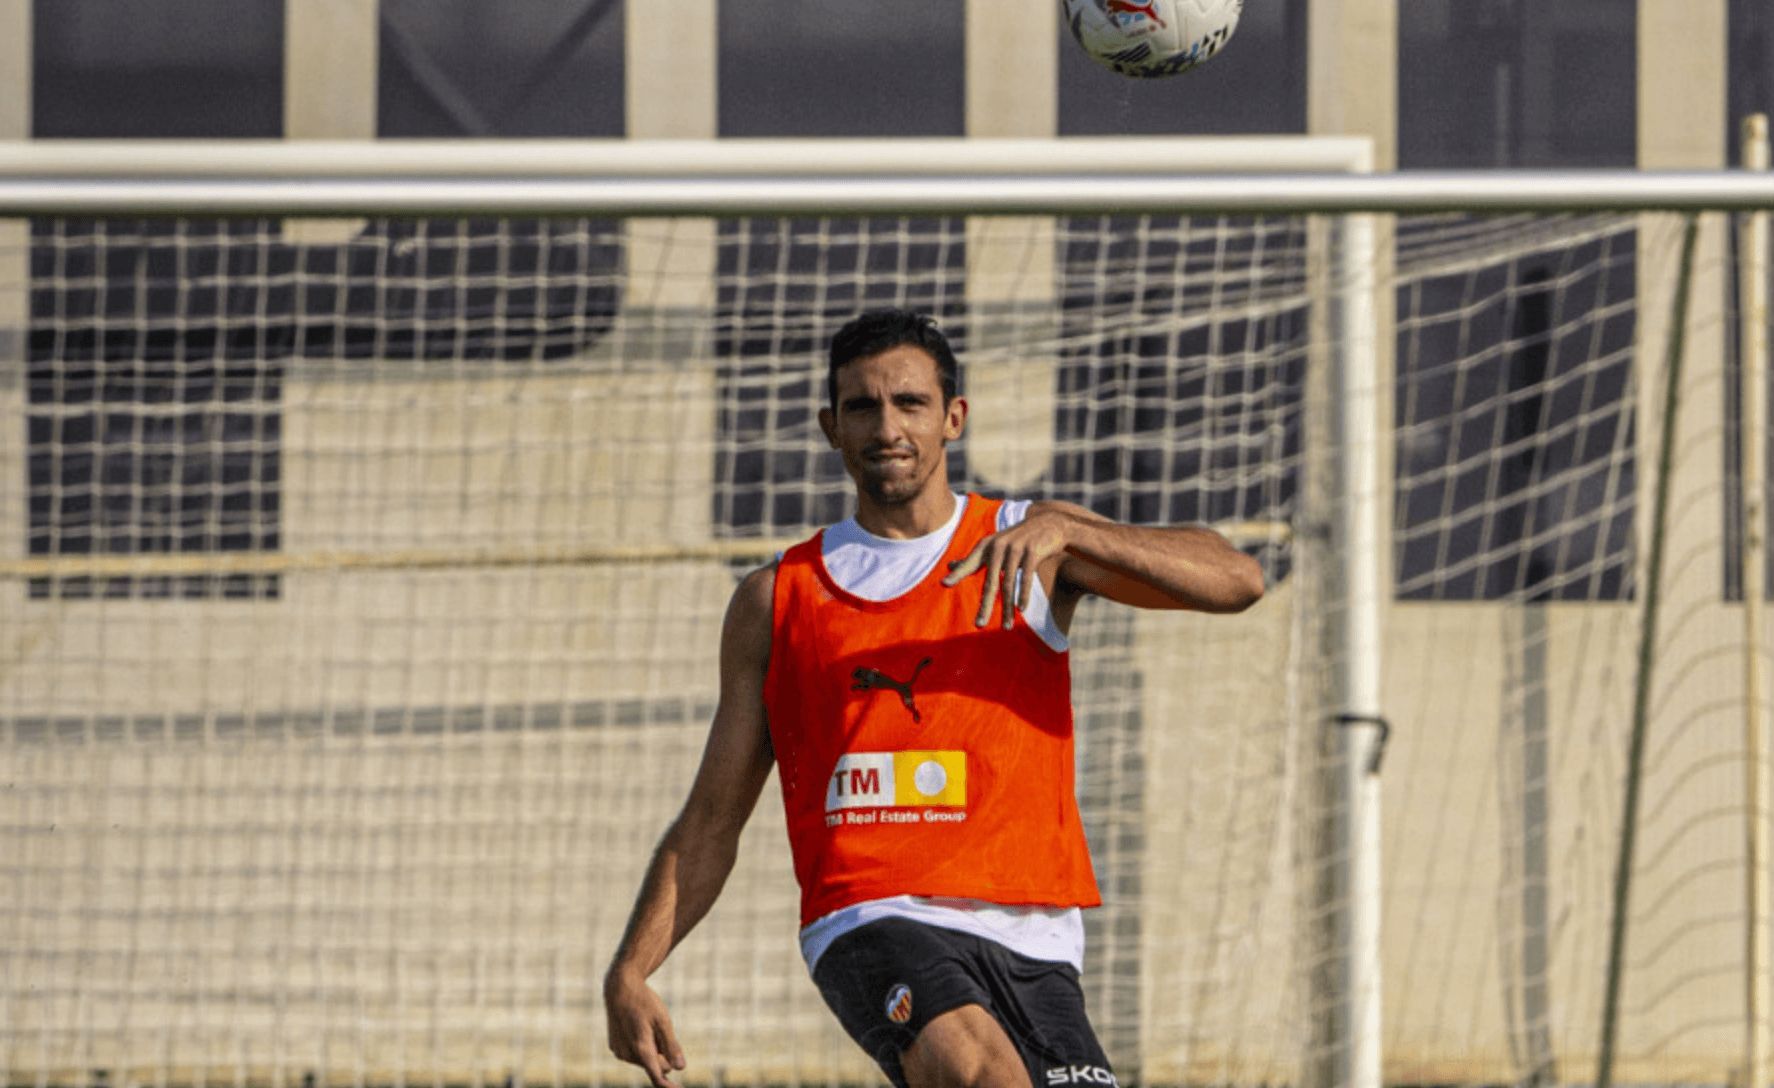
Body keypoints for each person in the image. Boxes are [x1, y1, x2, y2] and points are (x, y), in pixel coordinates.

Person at [604, 309, 1265, 1088]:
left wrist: (1075, 533)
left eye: (910, 403)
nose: (888, 426)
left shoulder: (1034, 542)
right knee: (984, 1074)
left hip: (1036, 931)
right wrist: (631, 971)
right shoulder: (775, 599)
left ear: (953, 418)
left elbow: (1238, 579)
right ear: (830, 426)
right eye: (862, 406)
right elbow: (713, 815)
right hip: (871, 914)